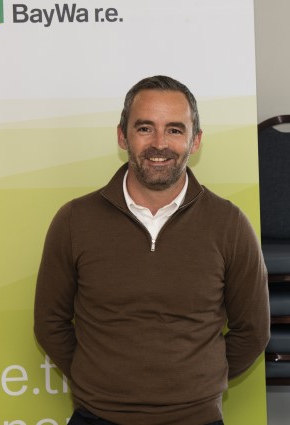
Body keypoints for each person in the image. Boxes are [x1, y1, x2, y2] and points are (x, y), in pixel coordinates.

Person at [34, 75, 270, 425]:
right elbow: (49, 323)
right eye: (145, 128)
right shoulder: (73, 221)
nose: (159, 143)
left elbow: (253, 331)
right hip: (96, 417)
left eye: (175, 130)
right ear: (122, 136)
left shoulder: (229, 224)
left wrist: (197, 382)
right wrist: (97, 380)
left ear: (196, 141)